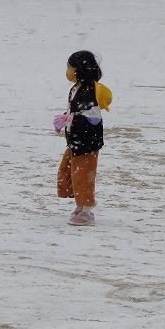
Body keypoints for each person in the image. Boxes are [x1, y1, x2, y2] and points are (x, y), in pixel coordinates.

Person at [54, 51, 111, 226]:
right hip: (75, 141)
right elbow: (75, 111)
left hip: (87, 143)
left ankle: (86, 210)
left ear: (80, 69)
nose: (68, 71)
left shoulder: (90, 90)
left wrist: (71, 119)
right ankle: (79, 203)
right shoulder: (76, 88)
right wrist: (65, 118)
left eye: (70, 67)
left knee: (83, 176)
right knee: (67, 172)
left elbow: (93, 118)